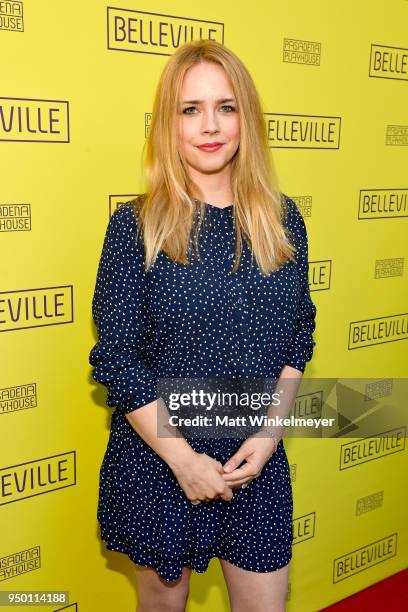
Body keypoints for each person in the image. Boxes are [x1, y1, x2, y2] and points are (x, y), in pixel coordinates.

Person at [89, 39, 316, 612]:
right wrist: (185, 462)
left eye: (226, 106)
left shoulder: (282, 220)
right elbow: (117, 356)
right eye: (191, 109)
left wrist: (267, 437)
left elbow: (299, 336)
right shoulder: (135, 226)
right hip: (162, 460)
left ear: (247, 118)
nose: (210, 126)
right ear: (169, 122)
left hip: (255, 462)